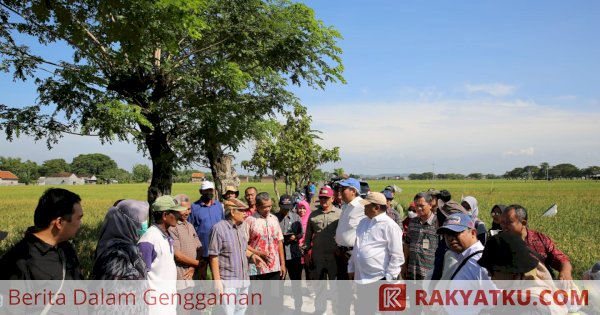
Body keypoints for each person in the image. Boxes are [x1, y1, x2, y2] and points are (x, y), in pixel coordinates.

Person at [0, 188, 84, 280]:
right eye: (78, 218)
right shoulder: (17, 261)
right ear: (59, 222)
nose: (81, 224)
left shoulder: (67, 250)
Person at [477, 233, 568, 315]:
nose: (489, 275)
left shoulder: (530, 307)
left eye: (491, 270)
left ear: (511, 271)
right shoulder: (517, 290)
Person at [349, 192, 404, 315]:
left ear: (376, 208)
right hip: (362, 278)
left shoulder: (390, 226)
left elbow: (397, 256)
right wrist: (351, 267)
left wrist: (389, 279)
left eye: (366, 205)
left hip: (380, 278)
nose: (364, 207)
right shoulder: (363, 222)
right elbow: (357, 247)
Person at [209, 198, 265, 315]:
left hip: (244, 279)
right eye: (241, 210)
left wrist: (253, 256)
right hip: (228, 281)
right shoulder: (219, 228)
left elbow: (243, 250)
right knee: (228, 312)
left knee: (241, 310)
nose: (245, 213)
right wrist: (217, 281)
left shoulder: (241, 227)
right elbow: (213, 256)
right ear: (232, 212)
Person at [139, 195, 188, 315]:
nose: (179, 215)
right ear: (165, 215)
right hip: (155, 306)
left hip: (167, 301)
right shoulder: (149, 239)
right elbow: (141, 276)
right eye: (175, 213)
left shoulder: (165, 236)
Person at [500, 204, 573, 280]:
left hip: (543, 286)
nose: (503, 226)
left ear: (523, 223)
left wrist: (566, 272)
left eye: (509, 222)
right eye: (502, 222)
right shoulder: (497, 243)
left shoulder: (541, 239)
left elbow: (561, 259)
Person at [303, 186, 341, 314]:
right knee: (319, 286)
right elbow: (307, 236)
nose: (324, 200)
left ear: (332, 198)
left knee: (336, 287)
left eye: (326, 198)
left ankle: (337, 310)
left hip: (334, 258)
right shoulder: (313, 215)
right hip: (318, 257)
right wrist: (306, 253)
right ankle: (320, 310)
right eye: (321, 198)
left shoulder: (339, 214)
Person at [246, 192, 286, 313]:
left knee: (273, 299)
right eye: (264, 207)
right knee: (257, 300)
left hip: (274, 267)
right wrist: (258, 253)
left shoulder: (274, 219)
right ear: (257, 206)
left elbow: (279, 242)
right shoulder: (249, 221)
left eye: (269, 206)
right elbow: (244, 245)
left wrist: (282, 264)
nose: (268, 209)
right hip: (256, 267)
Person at [93, 199, 148, 280]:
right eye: (139, 222)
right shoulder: (115, 257)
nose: (144, 226)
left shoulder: (131, 248)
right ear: (126, 224)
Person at [334, 177, 365, 314]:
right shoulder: (347, 206)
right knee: (343, 290)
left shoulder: (362, 206)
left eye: (343, 189)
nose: (340, 191)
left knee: (356, 292)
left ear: (353, 191)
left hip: (352, 255)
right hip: (341, 253)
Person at [189, 180, 225, 279]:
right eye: (206, 191)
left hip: (219, 248)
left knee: (219, 277)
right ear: (201, 192)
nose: (209, 193)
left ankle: (218, 294)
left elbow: (223, 224)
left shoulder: (218, 206)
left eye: (210, 190)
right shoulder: (194, 207)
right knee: (201, 278)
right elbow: (190, 227)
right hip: (202, 248)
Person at [275, 194, 304, 313]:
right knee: (278, 285)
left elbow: (301, 233)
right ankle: (278, 309)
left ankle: (298, 309)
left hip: (294, 254)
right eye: (283, 207)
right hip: (278, 255)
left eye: (288, 207)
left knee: (296, 284)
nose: (285, 210)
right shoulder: (274, 217)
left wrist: (295, 237)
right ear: (279, 205)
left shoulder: (296, 217)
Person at [168, 194, 202, 290]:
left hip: (192, 273)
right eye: (184, 209)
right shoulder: (172, 227)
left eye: (189, 209)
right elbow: (178, 255)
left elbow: (199, 247)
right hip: (180, 275)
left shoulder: (190, 225)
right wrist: (198, 264)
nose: (187, 212)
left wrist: (193, 267)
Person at [402, 192, 438, 280]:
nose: (418, 208)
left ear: (430, 205)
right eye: (416, 205)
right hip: (412, 271)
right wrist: (404, 265)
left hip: (429, 274)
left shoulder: (437, 223)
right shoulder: (412, 222)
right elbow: (407, 244)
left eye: (421, 205)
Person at [295, 199, 312, 280]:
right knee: (297, 272)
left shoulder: (311, 220)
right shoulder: (294, 220)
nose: (302, 210)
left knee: (309, 271)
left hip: (308, 251)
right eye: (300, 208)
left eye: (304, 208)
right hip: (296, 251)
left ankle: (310, 289)